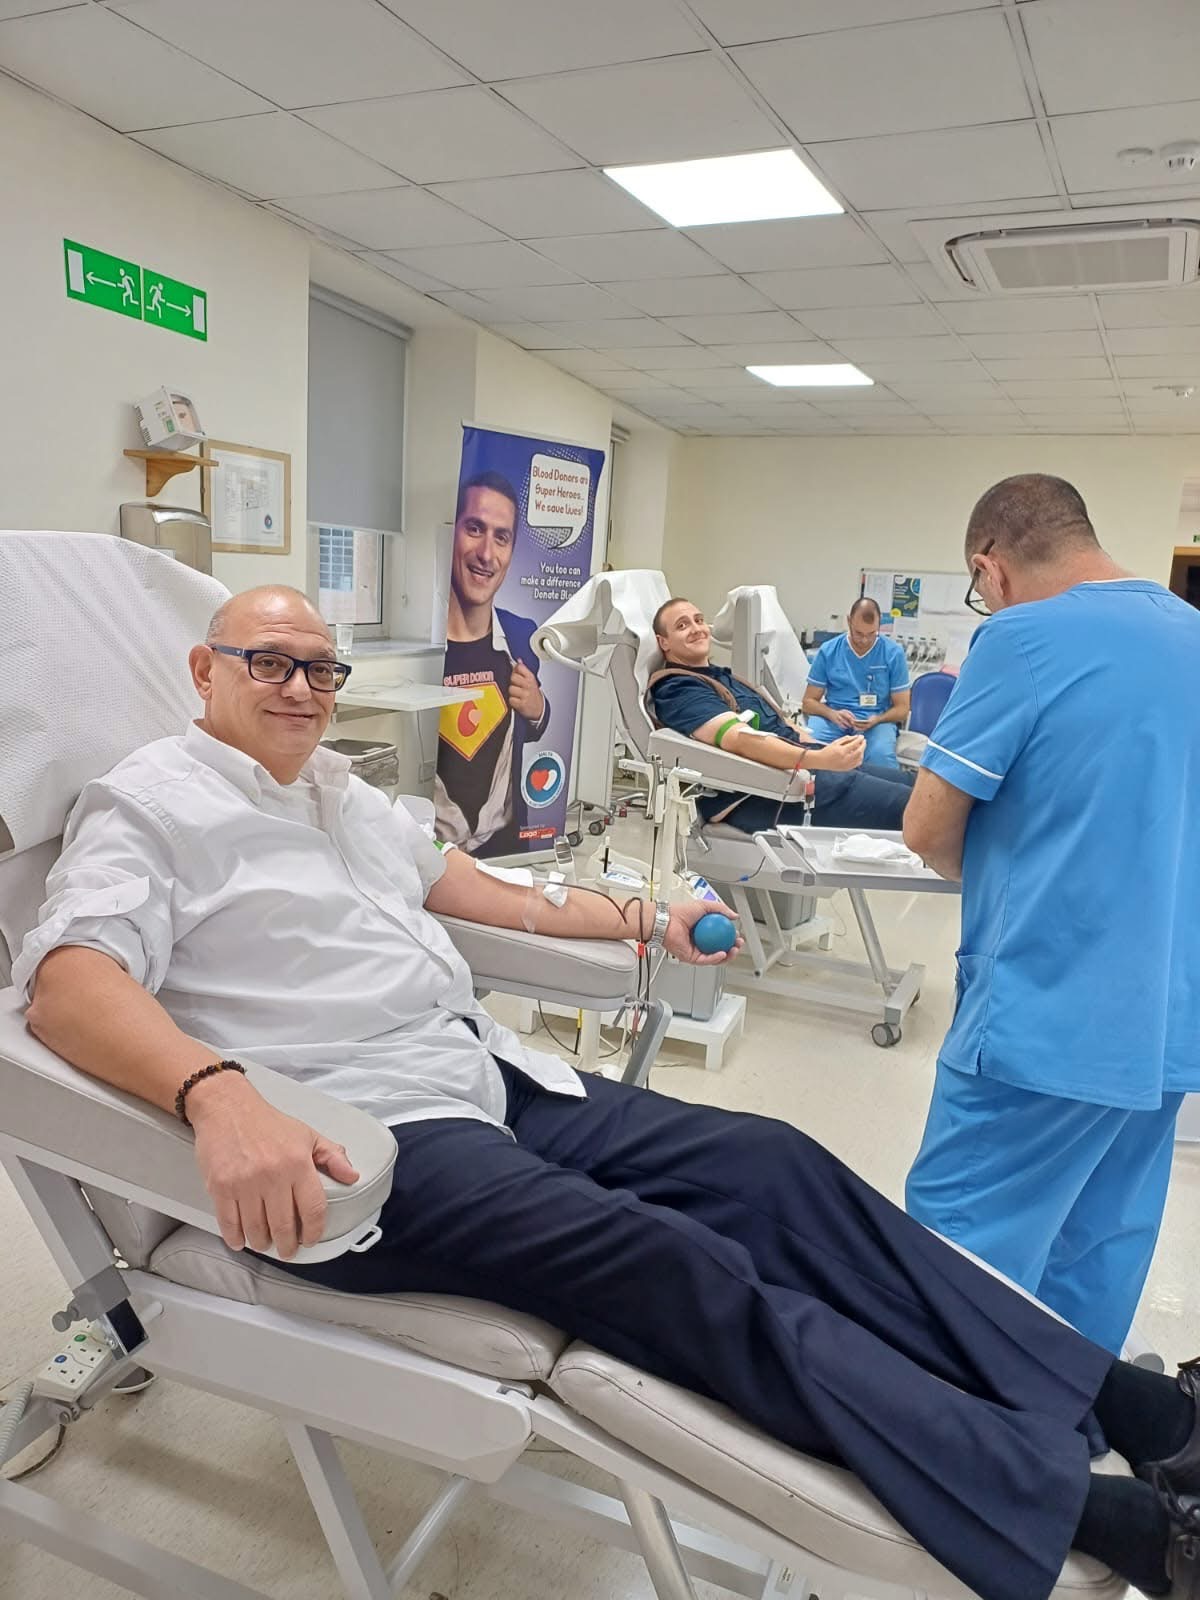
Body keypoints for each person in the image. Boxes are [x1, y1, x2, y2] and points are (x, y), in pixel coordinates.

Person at [14, 586, 1200, 1600]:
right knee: (673, 1258)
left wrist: (643, 915)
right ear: (204, 670)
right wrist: (216, 1093)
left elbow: (479, 892)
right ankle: (1093, 1515)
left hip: (485, 1075)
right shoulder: (152, 803)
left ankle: (1129, 1406)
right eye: (268, 662)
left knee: (773, 1165)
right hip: (359, 1147)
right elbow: (66, 984)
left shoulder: (341, 793)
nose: (300, 687)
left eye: (320, 667)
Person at [903, 473, 1200, 1356]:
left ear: (988, 567)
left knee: (958, 1247)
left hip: (1050, 1013)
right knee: (1099, 1237)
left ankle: (953, 1422)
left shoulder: (1020, 638)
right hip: (1169, 1015)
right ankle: (1066, 1407)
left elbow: (927, 829)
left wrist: (1005, 873)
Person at [649, 598, 914, 834]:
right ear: (664, 642)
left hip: (799, 768)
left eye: (698, 620)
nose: (696, 628)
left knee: (915, 784)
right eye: (682, 625)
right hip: (764, 792)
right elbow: (740, 739)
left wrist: (819, 747)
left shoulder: (719, 676)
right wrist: (821, 759)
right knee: (916, 808)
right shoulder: (679, 688)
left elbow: (777, 723)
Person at [435, 471, 549, 856]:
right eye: (474, 529)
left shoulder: (521, 636)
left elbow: (528, 728)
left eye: (501, 537)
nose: (486, 554)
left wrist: (538, 708)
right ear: (450, 533)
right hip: (431, 854)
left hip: (505, 849)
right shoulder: (422, 648)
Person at [801, 597, 910, 767]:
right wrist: (832, 714)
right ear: (849, 621)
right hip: (834, 719)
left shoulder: (893, 653)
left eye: (872, 634)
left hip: (876, 722)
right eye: (858, 633)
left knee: (880, 757)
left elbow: (902, 709)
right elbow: (808, 702)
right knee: (812, 751)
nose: (864, 640)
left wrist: (877, 719)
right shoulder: (829, 651)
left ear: (879, 625)